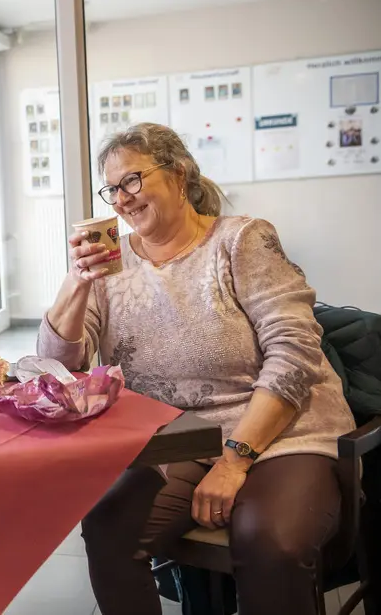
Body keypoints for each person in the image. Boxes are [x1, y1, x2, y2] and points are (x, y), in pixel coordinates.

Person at [37, 123, 356, 615]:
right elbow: (56, 369)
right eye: (112, 189)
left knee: (271, 543)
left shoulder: (241, 240)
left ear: (179, 175)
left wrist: (234, 460)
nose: (121, 199)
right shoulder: (110, 266)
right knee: (108, 527)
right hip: (177, 440)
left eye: (132, 181)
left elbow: (294, 351)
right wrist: (76, 282)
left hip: (282, 433)